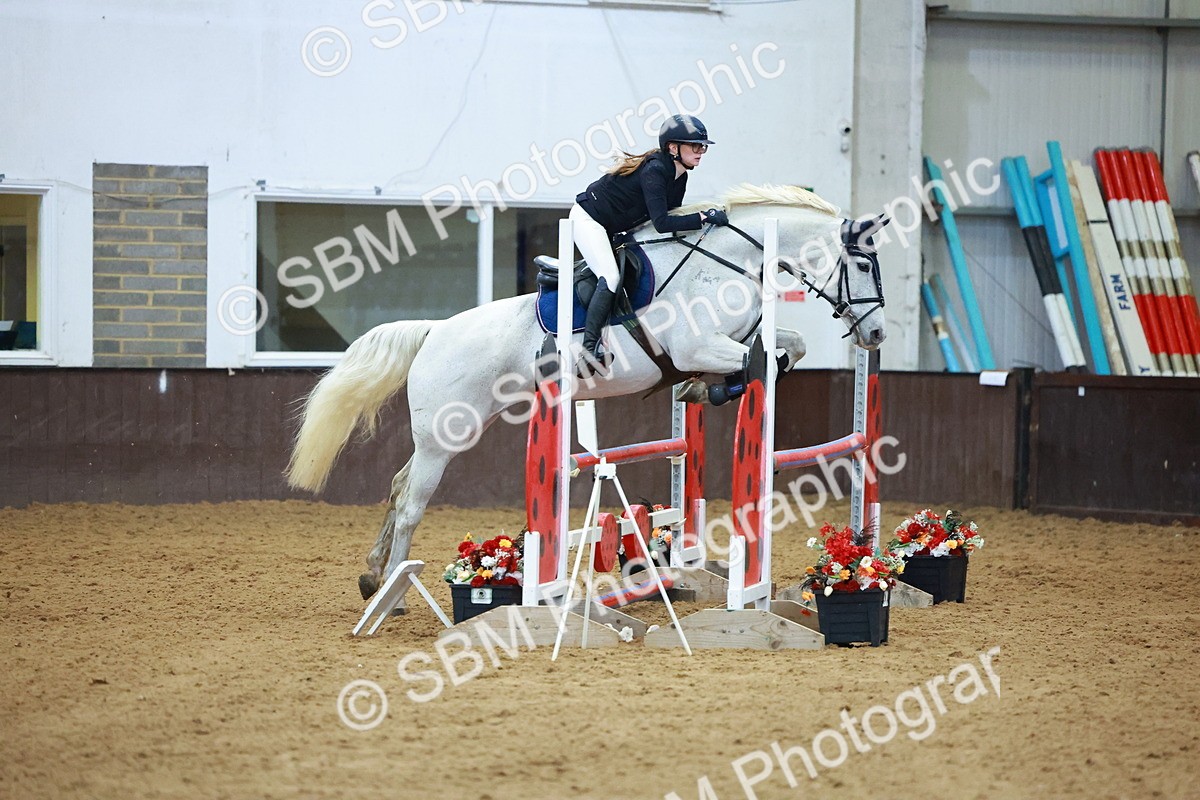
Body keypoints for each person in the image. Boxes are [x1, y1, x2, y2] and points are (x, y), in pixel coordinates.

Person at [569, 113, 730, 374]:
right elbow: (662, 223)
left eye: (703, 147)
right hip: (589, 220)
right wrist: (703, 216)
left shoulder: (680, 176)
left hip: (617, 227)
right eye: (695, 146)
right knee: (610, 277)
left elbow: (672, 219)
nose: (701, 152)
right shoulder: (655, 170)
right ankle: (588, 350)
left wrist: (706, 222)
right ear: (673, 147)